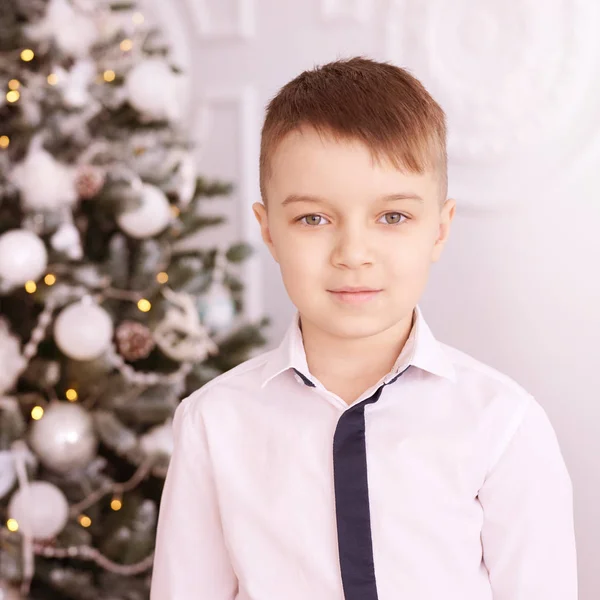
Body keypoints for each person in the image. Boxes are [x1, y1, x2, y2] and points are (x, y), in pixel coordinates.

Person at [151, 56, 577, 600]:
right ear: (269, 230)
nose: (353, 253)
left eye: (392, 217)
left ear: (439, 229)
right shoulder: (213, 425)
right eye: (314, 219)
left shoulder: (503, 425)